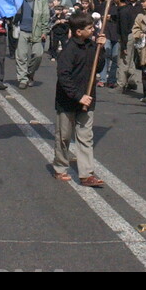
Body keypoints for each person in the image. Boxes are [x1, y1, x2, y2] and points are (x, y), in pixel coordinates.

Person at [52, 12, 106, 188]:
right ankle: (60, 167)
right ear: (78, 31)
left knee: (85, 137)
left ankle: (86, 174)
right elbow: (63, 76)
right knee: (64, 137)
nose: (93, 30)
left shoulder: (92, 46)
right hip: (68, 101)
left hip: (88, 99)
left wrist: (101, 49)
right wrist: (78, 96)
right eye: (89, 28)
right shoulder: (69, 50)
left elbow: (98, 66)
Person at [14, 0, 48, 90]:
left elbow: (45, 15)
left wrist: (44, 31)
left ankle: (30, 73)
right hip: (23, 30)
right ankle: (23, 79)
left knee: (38, 54)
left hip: (36, 31)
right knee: (21, 55)